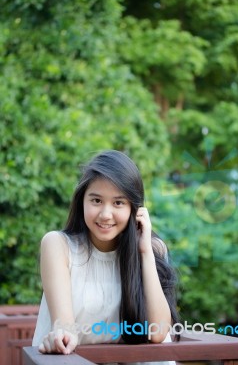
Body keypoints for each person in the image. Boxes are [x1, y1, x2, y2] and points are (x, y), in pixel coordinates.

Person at [32, 150, 179, 363]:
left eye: (118, 203)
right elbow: (64, 327)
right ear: (82, 201)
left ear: (134, 209)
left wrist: (145, 252)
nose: (105, 214)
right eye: (97, 200)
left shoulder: (152, 250)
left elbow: (157, 333)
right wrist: (61, 334)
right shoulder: (58, 245)